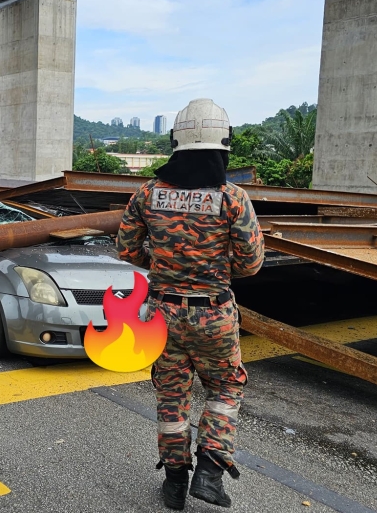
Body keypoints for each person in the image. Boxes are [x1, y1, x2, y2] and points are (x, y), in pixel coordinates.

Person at [117, 98, 264, 509]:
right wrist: (214, 267)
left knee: (171, 396)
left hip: (162, 314)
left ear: (175, 142)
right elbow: (251, 263)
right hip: (213, 312)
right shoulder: (233, 198)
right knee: (226, 387)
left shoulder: (147, 194)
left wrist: (162, 263)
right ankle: (210, 473)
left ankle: (175, 482)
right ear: (223, 144)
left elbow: (127, 250)